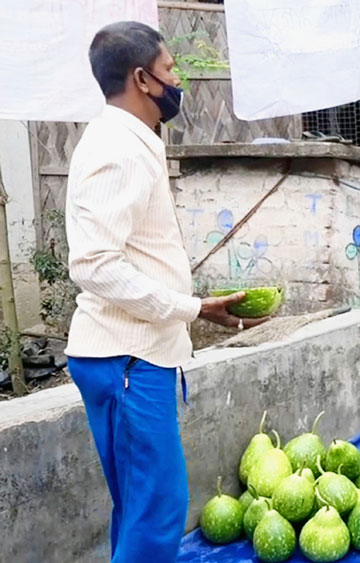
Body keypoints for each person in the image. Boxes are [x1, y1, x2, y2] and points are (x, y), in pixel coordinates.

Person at [65, 22, 268, 562]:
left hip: (130, 353)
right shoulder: (118, 148)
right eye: (171, 69)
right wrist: (191, 307)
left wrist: (191, 305)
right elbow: (94, 264)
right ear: (142, 78)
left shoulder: (132, 141)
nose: (178, 79)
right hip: (128, 357)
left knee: (139, 506)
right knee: (157, 511)